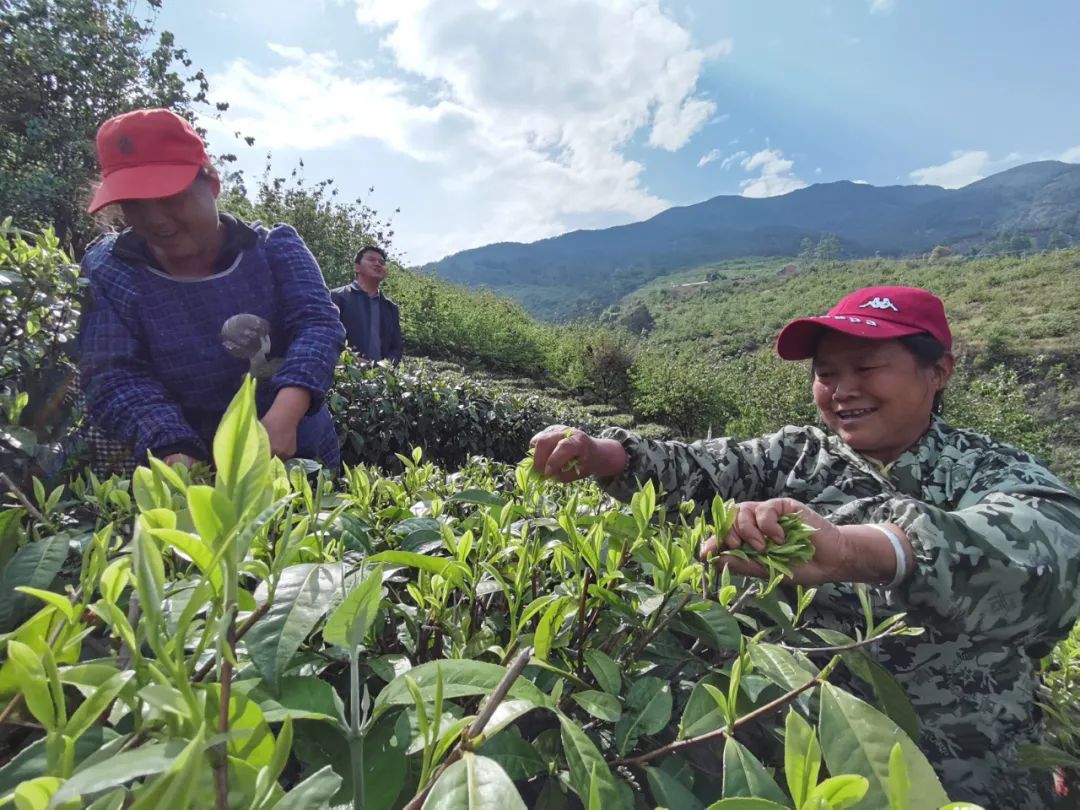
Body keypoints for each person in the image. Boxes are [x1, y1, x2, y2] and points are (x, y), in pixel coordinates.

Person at [530, 285, 1080, 808]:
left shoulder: (990, 469)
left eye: (866, 369)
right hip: (797, 757)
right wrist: (605, 454)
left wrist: (857, 551)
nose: (842, 390)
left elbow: (1044, 557)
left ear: (938, 371)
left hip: (961, 772)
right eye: (826, 374)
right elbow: (698, 469)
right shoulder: (795, 454)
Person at [79, 108, 345, 470]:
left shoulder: (272, 249)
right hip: (183, 460)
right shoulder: (110, 270)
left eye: (172, 197)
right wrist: (173, 449)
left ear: (212, 183)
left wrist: (285, 414)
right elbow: (114, 374)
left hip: (293, 448)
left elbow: (317, 324)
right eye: (135, 205)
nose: (156, 220)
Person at [330, 246, 403, 364]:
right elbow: (326, 338)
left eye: (382, 262)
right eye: (371, 260)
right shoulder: (337, 297)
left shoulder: (390, 307)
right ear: (357, 267)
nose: (378, 264)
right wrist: (350, 361)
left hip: (381, 377)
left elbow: (396, 348)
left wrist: (386, 365)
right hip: (344, 375)